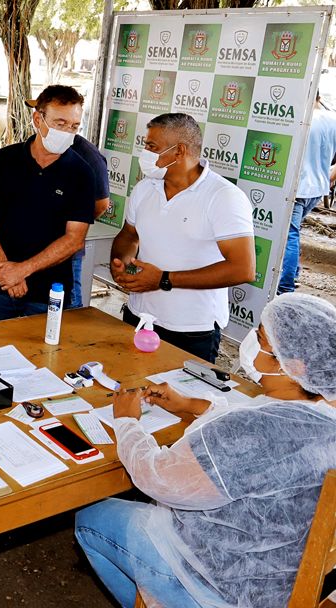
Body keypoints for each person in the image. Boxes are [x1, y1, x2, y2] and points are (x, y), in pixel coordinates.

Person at [76, 293, 336, 608]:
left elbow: (159, 478)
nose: (251, 339)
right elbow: (261, 426)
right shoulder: (321, 411)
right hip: (278, 580)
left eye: (261, 339)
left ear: (293, 365)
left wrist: (127, 423)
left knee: (90, 518)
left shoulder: (256, 430)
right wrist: (190, 405)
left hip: (218, 585)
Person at [110, 113, 255, 363]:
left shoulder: (223, 197)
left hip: (191, 329)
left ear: (179, 151)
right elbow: (129, 234)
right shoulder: (145, 188)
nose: (145, 153)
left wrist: (164, 279)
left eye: (152, 147)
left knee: (181, 399)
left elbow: (243, 269)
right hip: (139, 317)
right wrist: (120, 263)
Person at [0, 85, 95, 322]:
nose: (67, 132)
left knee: (43, 355)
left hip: (50, 292)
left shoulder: (81, 172)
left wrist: (21, 271)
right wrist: (5, 269)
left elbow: (74, 239)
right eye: (60, 124)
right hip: (1, 284)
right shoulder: (6, 159)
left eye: (74, 126)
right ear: (38, 119)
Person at [24, 97, 110, 308]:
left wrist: (70, 228)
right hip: (30, 250)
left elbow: (101, 205)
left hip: (64, 253)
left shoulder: (88, 157)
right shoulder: (31, 147)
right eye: (57, 123)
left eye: (69, 125)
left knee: (67, 304)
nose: (63, 130)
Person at [279, 93, 336, 294]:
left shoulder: (299, 119)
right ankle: (292, 275)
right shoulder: (332, 119)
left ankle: (285, 286)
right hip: (318, 188)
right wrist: (330, 176)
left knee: (288, 235)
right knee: (293, 232)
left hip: (298, 188)